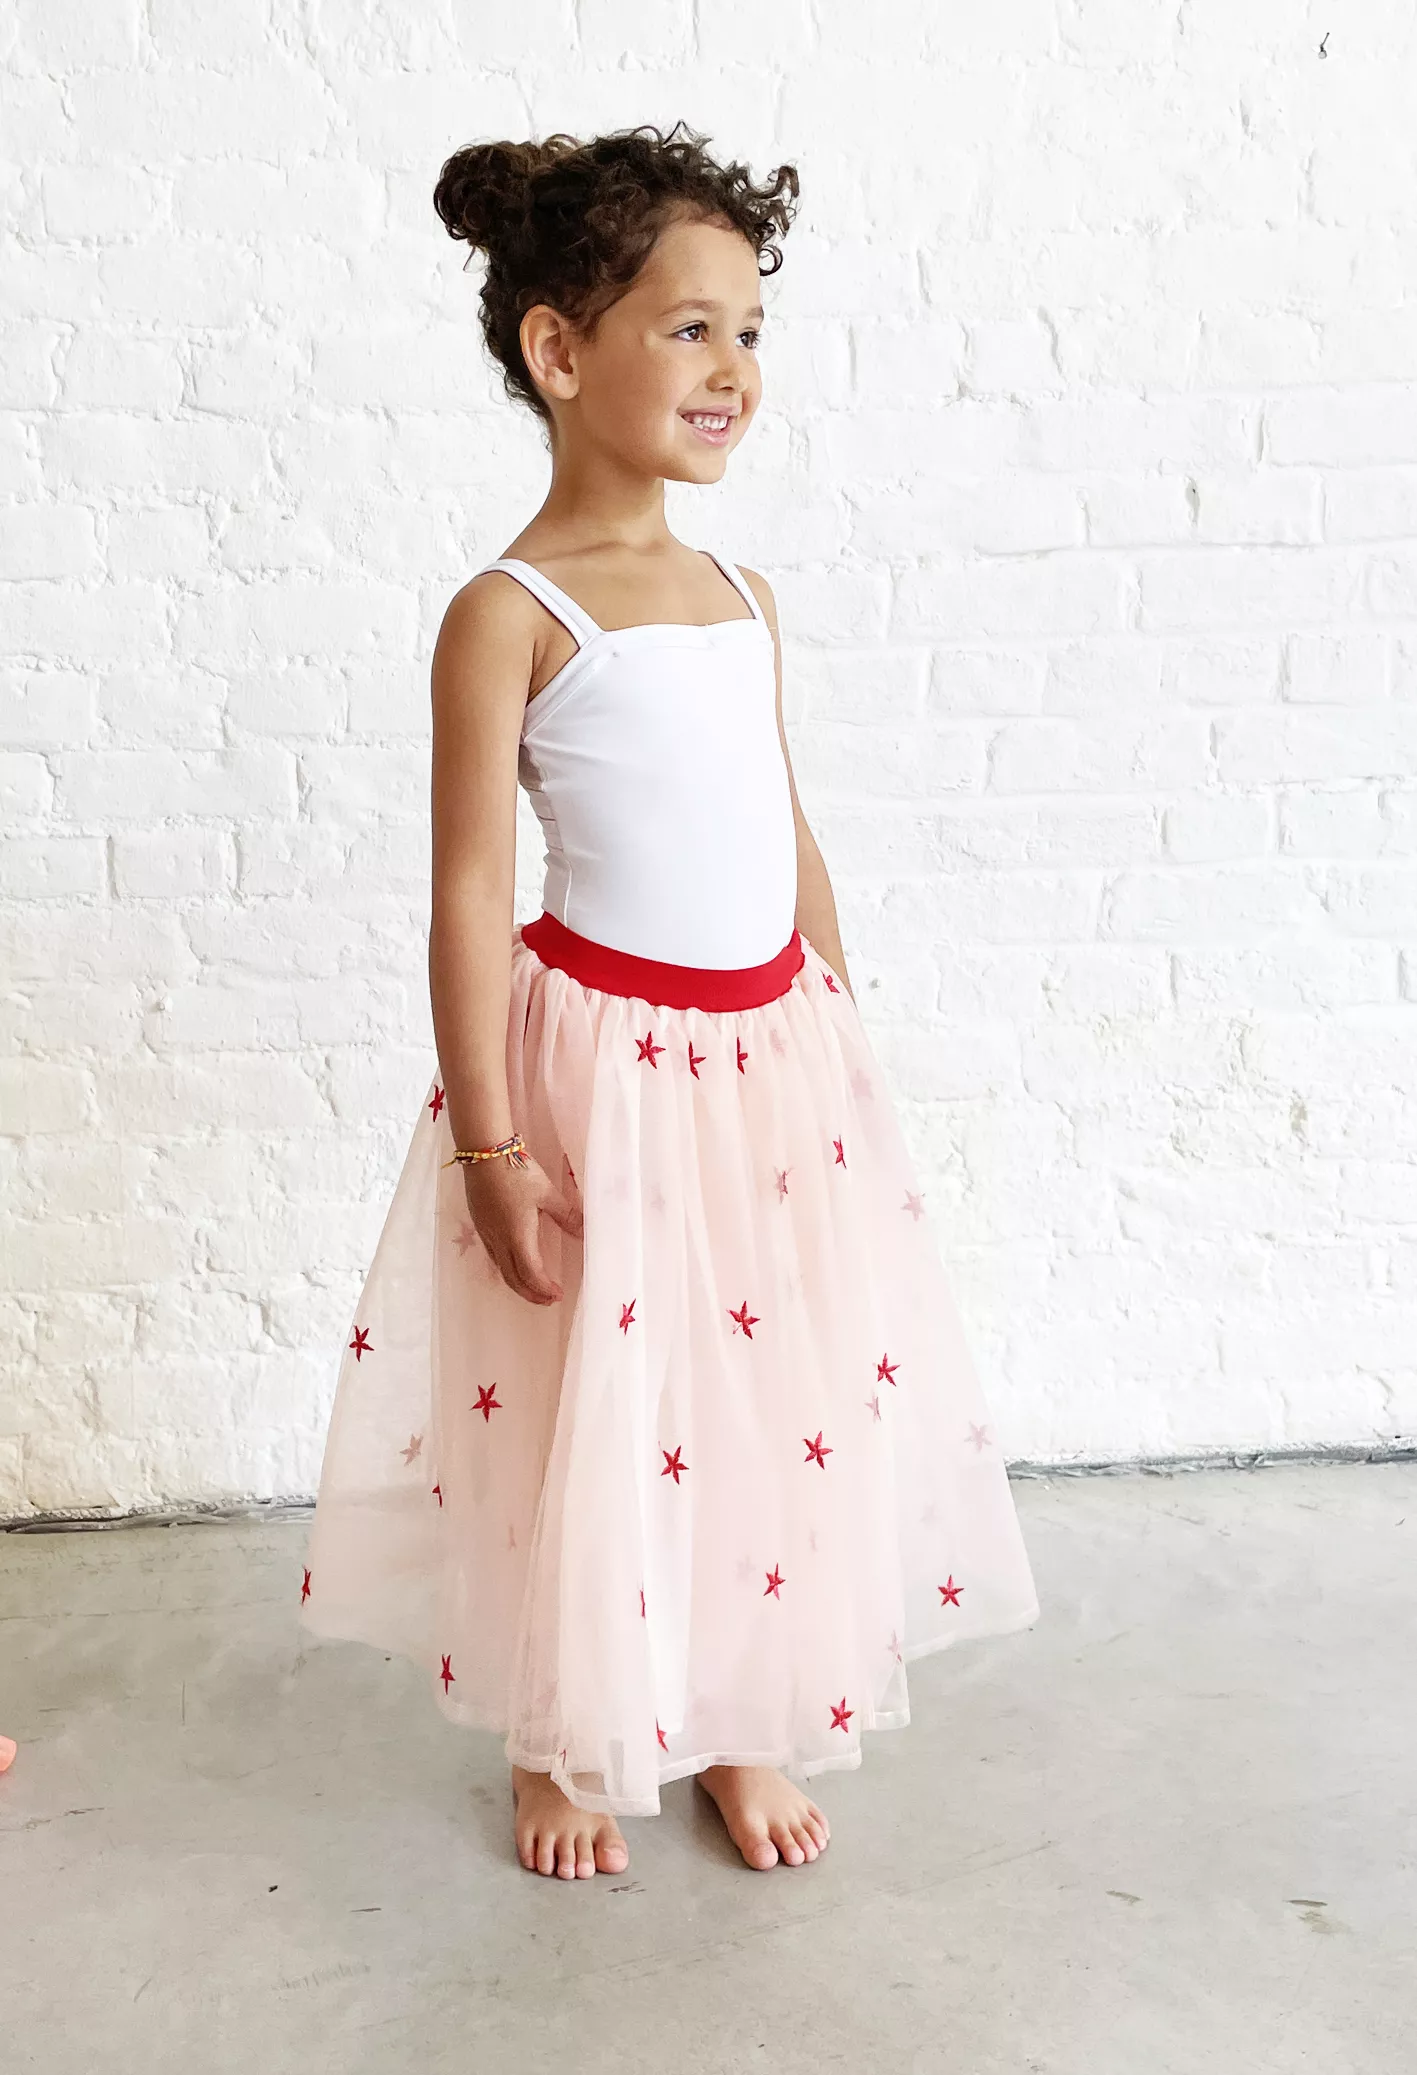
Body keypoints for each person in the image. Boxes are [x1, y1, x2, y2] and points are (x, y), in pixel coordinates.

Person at [298, 121, 1039, 1882]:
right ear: (561, 351)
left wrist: (836, 1019)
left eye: (750, 332)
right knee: (598, 1399)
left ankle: (735, 1705)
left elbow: (785, 825)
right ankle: (564, 1733)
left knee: (760, 1388)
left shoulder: (739, 594)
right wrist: (489, 1138)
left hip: (767, 1060)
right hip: (605, 1071)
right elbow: (468, 893)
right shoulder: (509, 612)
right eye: (690, 328)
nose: (733, 369)